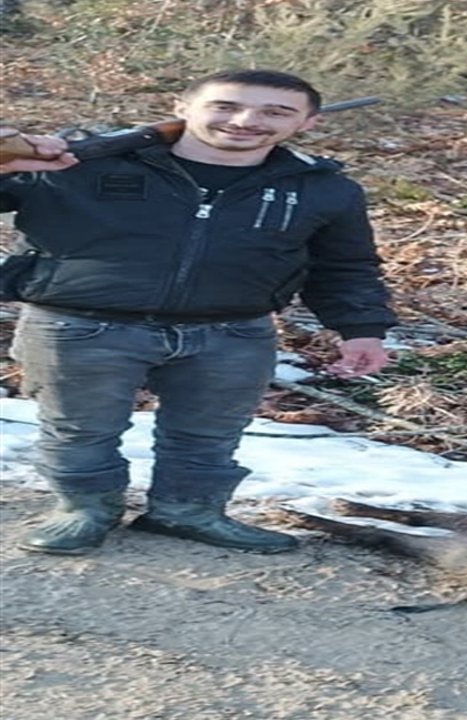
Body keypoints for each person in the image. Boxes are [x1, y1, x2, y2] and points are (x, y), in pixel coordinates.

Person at [0, 69, 397, 555]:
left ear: (307, 123)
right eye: (226, 106)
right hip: (79, 327)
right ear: (182, 106)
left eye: (275, 112)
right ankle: (84, 509)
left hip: (233, 333)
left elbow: (344, 267)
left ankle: (188, 511)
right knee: (79, 430)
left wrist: (361, 329)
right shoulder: (73, 163)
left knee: (209, 436)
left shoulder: (323, 188)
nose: (245, 121)